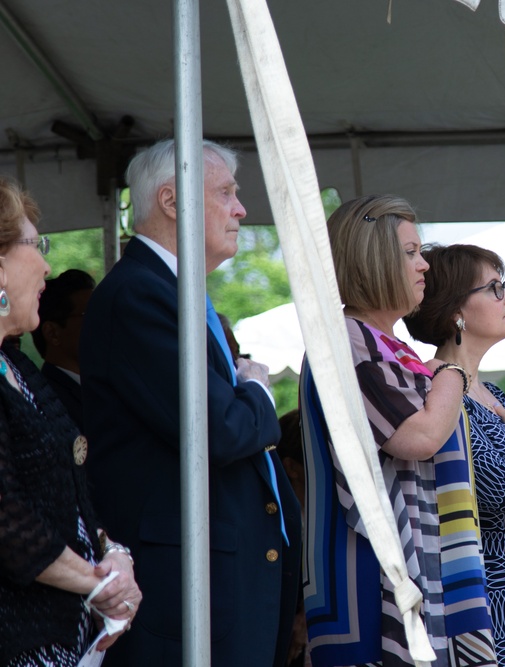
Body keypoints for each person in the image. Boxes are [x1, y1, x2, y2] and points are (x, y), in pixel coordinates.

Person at [79, 140, 301, 667]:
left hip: (212, 583)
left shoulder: (168, 290)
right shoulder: (140, 294)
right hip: (185, 593)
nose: (241, 209)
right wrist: (258, 392)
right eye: (226, 192)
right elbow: (219, 428)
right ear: (172, 201)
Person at [299, 195, 497, 667]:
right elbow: (421, 437)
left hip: (404, 574)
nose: (424, 264)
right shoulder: (347, 341)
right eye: (410, 252)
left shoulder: (385, 345)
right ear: (371, 259)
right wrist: (452, 372)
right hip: (367, 578)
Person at [0, 178, 141, 664]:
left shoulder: (15, 365)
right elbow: (6, 519)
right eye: (35, 245)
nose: (46, 264)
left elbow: (75, 489)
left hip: (62, 636)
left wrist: (114, 552)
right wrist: (101, 582)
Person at [404, 243, 505, 667]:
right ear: (457, 311)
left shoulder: (494, 394)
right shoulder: (439, 390)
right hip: (482, 599)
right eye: (494, 288)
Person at [30, 268, 95, 430]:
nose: (103, 323)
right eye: (90, 315)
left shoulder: (100, 387)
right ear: (53, 333)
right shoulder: (47, 400)